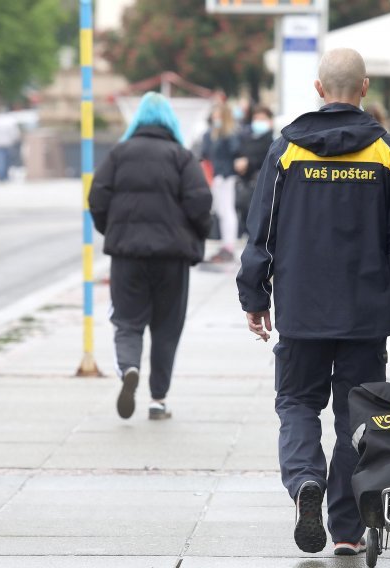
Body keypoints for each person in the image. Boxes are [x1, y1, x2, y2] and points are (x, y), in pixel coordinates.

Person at [237, 48, 390, 556]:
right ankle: (347, 528)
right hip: (365, 317)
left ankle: (305, 482)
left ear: (319, 89)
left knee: (298, 403)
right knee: (357, 420)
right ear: (364, 87)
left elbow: (262, 233)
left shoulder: (286, 152)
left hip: (300, 311)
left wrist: (255, 296)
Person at [88, 92, 212, 420]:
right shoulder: (181, 156)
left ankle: (129, 368)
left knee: (127, 321)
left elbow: (97, 199)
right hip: (172, 257)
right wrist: (196, 236)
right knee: (167, 327)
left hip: (128, 256)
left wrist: (115, 231)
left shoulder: (118, 154)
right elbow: (200, 203)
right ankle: (158, 399)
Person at [202, 103, 241, 263]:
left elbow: (234, 151)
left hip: (226, 176)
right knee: (221, 211)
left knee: (227, 211)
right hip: (216, 176)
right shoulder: (212, 134)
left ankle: (229, 245)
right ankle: (226, 244)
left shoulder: (229, 134)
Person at [233, 105, 274, 235]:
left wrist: (248, 163)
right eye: (256, 118)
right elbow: (239, 153)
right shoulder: (247, 138)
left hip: (262, 184)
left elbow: (265, 160)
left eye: (262, 119)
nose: (258, 122)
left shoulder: (273, 141)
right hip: (245, 183)